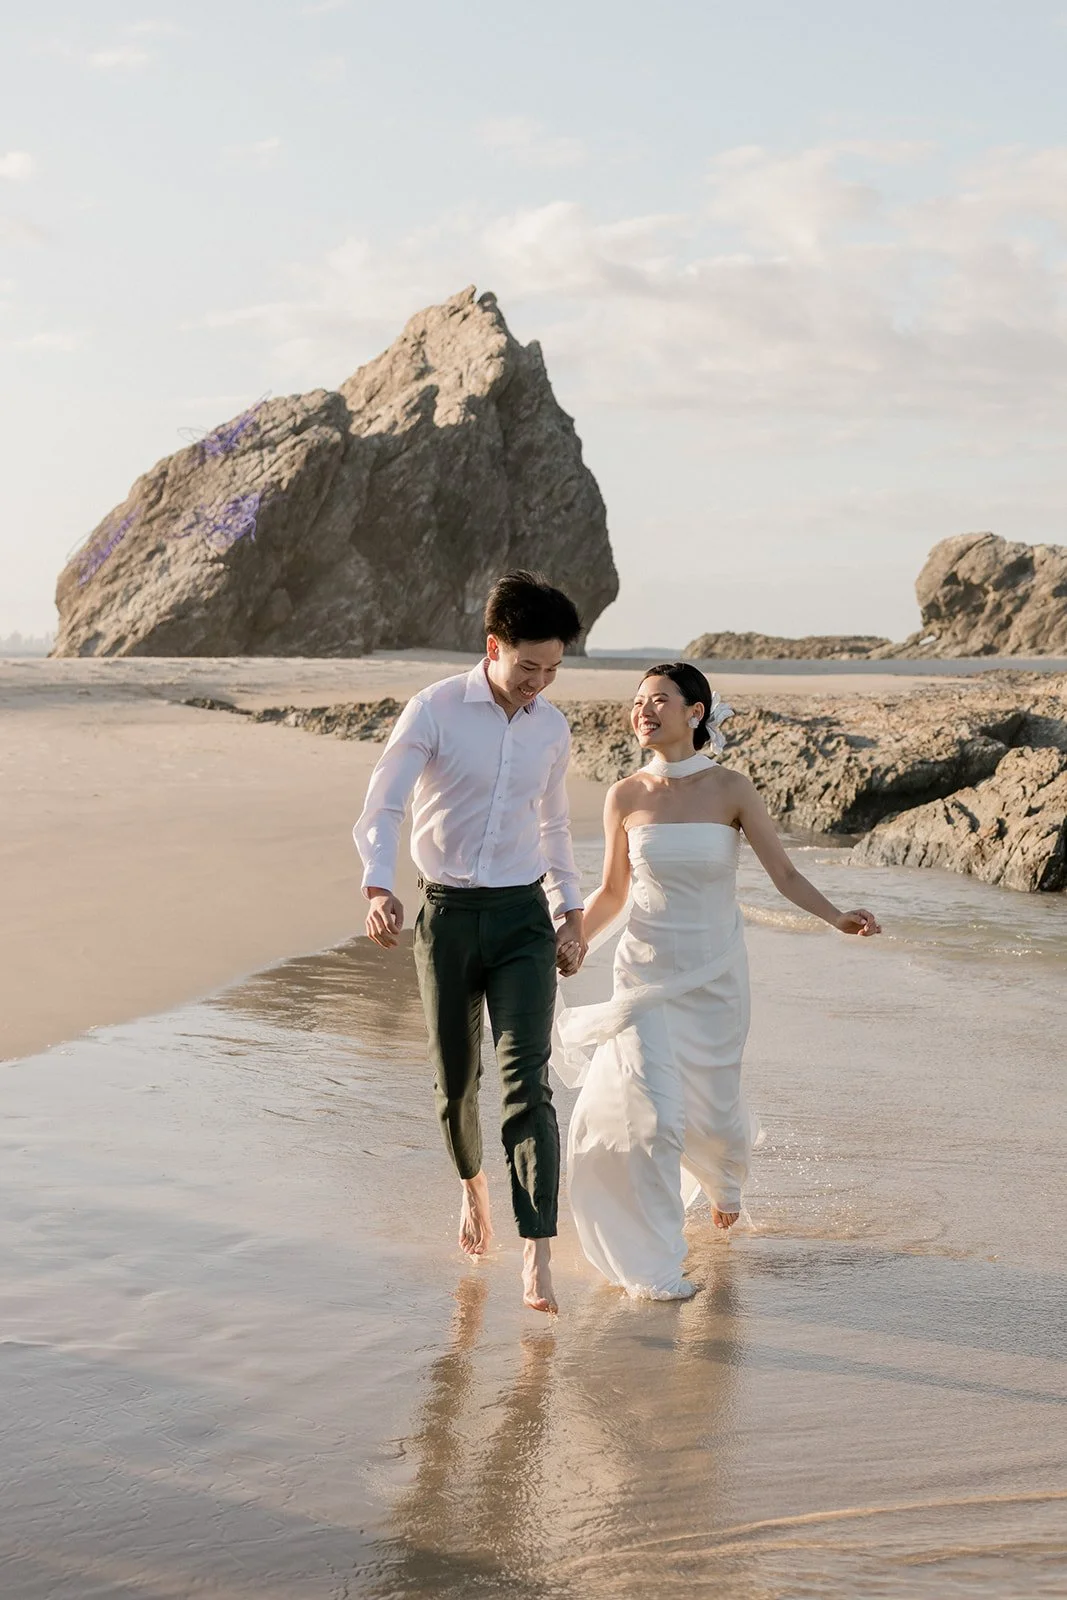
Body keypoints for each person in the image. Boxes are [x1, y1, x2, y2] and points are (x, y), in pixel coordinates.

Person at [555, 661, 880, 1301]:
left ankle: (724, 1181)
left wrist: (836, 916)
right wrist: (570, 937)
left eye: (659, 700)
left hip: (714, 975)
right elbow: (614, 892)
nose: (643, 711)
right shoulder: (624, 795)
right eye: (638, 701)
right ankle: (654, 1264)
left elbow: (783, 875)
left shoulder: (731, 788)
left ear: (696, 712)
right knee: (655, 1119)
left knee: (718, 1118)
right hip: (644, 974)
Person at [353, 572, 588, 1315]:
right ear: (494, 647)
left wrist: (570, 912)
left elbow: (553, 828)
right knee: (456, 1081)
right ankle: (471, 1186)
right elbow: (383, 803)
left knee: (528, 1083)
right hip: (447, 916)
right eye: (527, 668)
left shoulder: (551, 727)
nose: (538, 684)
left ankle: (537, 1250)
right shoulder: (435, 710)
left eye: (552, 671)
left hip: (522, 919)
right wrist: (376, 884)